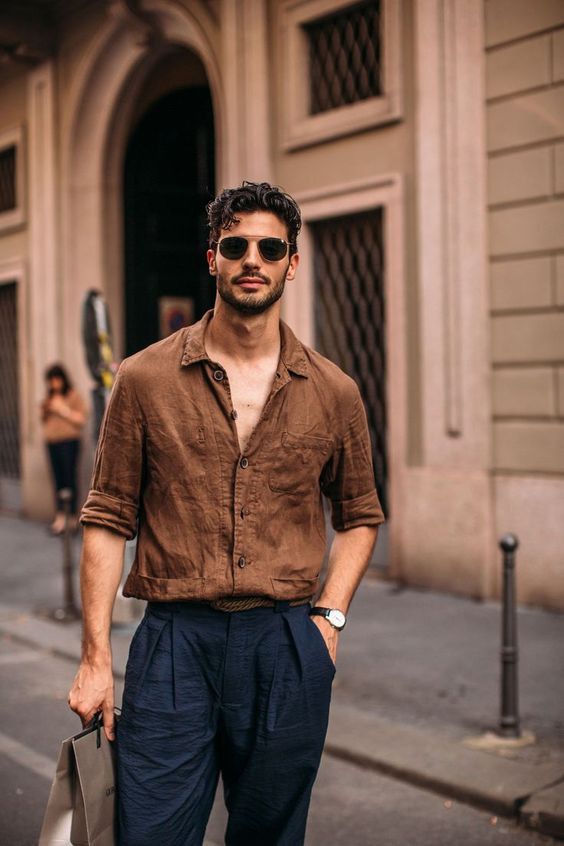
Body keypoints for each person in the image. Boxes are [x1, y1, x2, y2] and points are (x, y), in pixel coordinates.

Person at [68, 181, 385, 845]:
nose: (252, 259)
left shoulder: (335, 392)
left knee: (269, 835)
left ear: (291, 263)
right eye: (234, 245)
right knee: (149, 833)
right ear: (211, 257)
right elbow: (106, 519)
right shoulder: (144, 379)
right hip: (175, 645)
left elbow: (359, 515)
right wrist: (96, 659)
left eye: (271, 248)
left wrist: (328, 620)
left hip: (286, 644)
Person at [41, 364, 87, 534]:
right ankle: (60, 517)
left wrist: (62, 409)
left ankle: (73, 518)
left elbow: (81, 419)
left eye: (56, 379)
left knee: (70, 479)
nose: (54, 384)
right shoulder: (50, 397)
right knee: (58, 480)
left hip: (69, 442)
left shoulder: (72, 395)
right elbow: (43, 418)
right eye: (51, 380)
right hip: (52, 442)